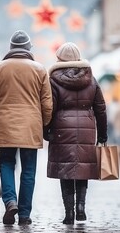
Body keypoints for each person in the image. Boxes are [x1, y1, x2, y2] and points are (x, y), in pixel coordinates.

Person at [0, 30, 53, 225]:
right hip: (30, 127)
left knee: (6, 164)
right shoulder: (39, 69)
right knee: (28, 170)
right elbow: (47, 103)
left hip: (6, 126)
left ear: (11, 48)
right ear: (28, 49)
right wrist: (46, 126)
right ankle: (25, 214)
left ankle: (10, 201)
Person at [44, 42, 107, 224]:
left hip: (62, 130)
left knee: (66, 170)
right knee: (82, 169)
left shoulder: (53, 81)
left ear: (59, 59)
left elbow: (50, 109)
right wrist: (102, 134)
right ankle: (81, 207)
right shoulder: (92, 79)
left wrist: (46, 130)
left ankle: (69, 213)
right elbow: (101, 109)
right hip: (87, 130)